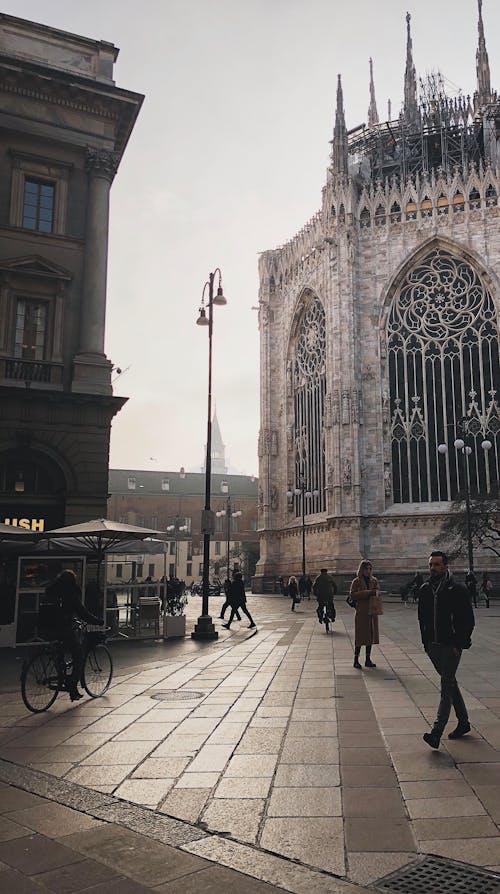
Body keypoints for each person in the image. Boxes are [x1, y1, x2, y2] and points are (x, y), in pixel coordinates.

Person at [418, 551, 475, 749]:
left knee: (446, 685)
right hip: (433, 646)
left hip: (450, 646)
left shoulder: (457, 589)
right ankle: (464, 722)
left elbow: (467, 620)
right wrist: (425, 642)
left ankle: (436, 732)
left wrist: (460, 644)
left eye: (437, 564)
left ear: (446, 566)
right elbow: (422, 619)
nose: (433, 568)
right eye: (430, 565)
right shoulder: (425, 589)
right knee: (450, 684)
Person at [43, 569, 101, 701]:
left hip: (46, 628)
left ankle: (62, 674)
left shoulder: (51, 590)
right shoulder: (70, 592)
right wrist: (97, 621)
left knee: (60, 651)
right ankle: (72, 685)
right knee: (79, 655)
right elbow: (82, 612)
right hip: (62, 628)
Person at [349, 560, 380, 668]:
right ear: (362, 569)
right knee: (360, 636)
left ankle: (368, 659)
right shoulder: (356, 581)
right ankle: (356, 660)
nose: (368, 571)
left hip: (372, 611)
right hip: (361, 612)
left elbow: (377, 592)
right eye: (366, 568)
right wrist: (367, 593)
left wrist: (376, 592)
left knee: (370, 636)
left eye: (370, 569)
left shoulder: (374, 580)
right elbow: (352, 595)